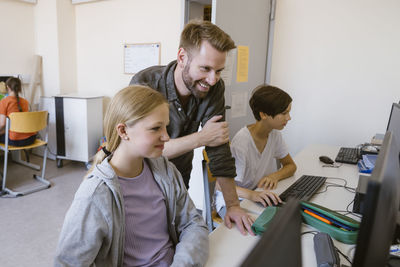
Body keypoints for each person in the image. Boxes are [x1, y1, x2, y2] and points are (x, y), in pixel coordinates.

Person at [54, 85, 209, 267]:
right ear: (123, 131)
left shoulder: (165, 170)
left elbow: (193, 224)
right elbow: (68, 263)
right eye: (155, 128)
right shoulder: (94, 195)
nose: (166, 136)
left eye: (166, 127)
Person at [130, 20, 254, 235]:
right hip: (141, 179)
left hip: (179, 175)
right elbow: (143, 150)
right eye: (205, 68)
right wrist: (200, 138)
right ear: (182, 57)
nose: (213, 79)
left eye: (219, 71)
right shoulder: (145, 84)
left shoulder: (213, 87)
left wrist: (233, 205)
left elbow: (218, 147)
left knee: (173, 234)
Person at [215, 84, 297, 217]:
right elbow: (220, 186)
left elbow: (291, 166)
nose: (289, 118)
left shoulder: (274, 135)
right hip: (233, 200)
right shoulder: (242, 142)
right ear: (264, 114)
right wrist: (253, 195)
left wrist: (274, 176)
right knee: (264, 228)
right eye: (284, 113)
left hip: (258, 194)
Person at [0, 77, 36, 146]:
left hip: (16, 140)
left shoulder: (4, 102)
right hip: (31, 138)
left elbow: (2, 124)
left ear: (8, 87)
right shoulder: (25, 102)